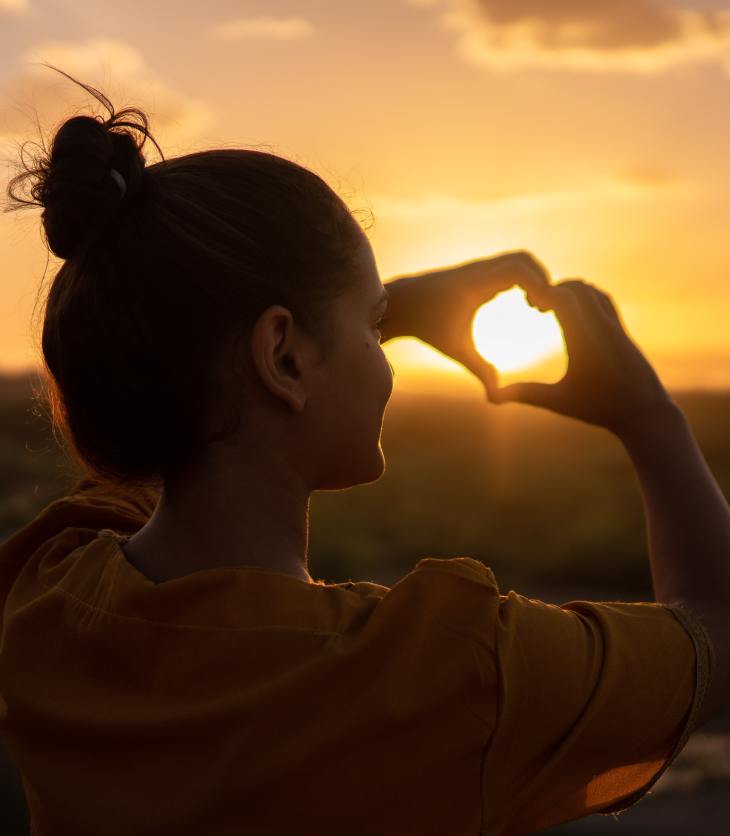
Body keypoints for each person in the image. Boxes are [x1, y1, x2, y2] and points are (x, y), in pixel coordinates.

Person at [0, 67, 727, 836]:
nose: (385, 359)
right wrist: (648, 416)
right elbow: (720, 628)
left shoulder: (50, 592)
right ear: (282, 357)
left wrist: (361, 313)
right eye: (374, 328)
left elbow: (184, 413)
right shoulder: (446, 674)